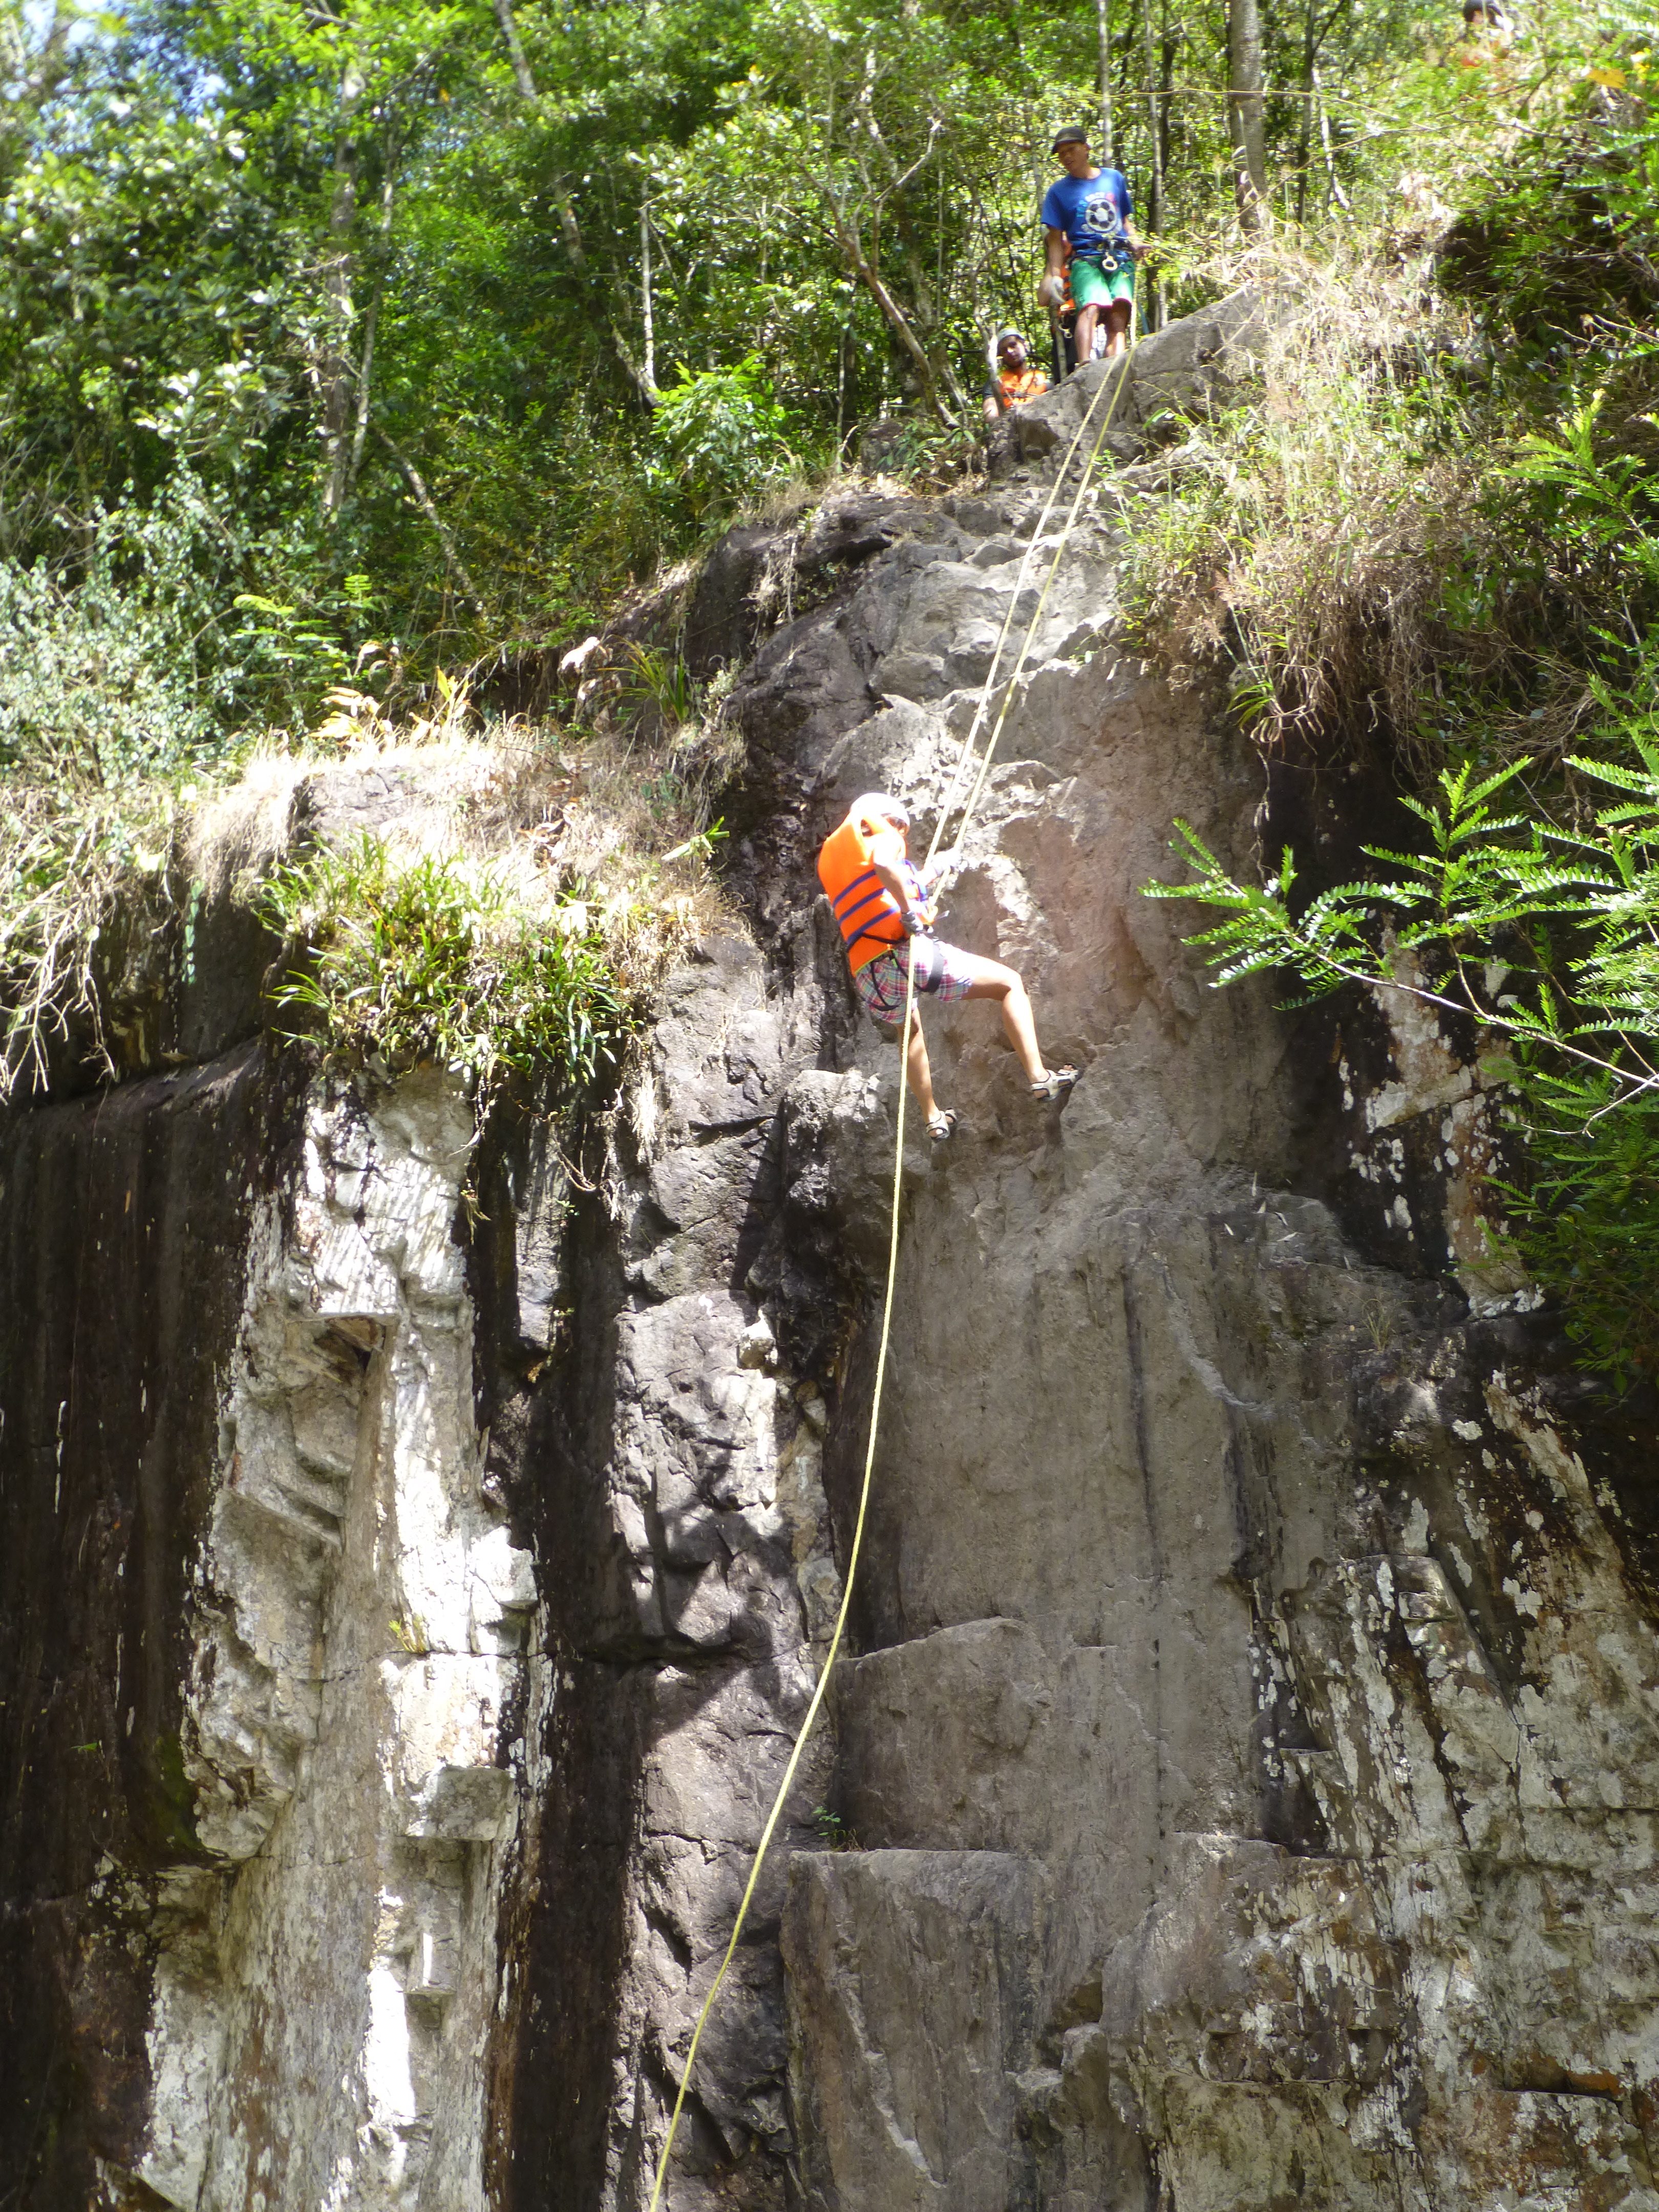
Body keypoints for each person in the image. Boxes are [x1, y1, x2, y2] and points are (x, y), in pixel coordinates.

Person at [817, 793, 1078, 1142]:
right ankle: (1039, 1078)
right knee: (1010, 984)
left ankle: (934, 1119)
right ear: (890, 820)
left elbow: (883, 887)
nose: (903, 838)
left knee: (908, 1032)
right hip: (905, 952)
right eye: (903, 829)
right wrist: (909, 912)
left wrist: (935, 869)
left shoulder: (837, 859)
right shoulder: (883, 834)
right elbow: (885, 865)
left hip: (869, 973)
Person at [1039, 126, 1143, 366]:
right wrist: (1055, 276)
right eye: (1061, 153)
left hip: (1120, 254)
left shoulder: (1114, 178)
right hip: (1086, 257)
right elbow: (1055, 239)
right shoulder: (1058, 192)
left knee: (1119, 315)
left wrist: (1136, 242)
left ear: (1086, 148)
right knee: (1091, 306)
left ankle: (1116, 366)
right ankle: (1085, 364)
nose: (1066, 157)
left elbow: (1124, 219)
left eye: (1072, 150)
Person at [983, 328, 1048, 425]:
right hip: (1009, 426)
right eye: (1004, 350)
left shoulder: (1042, 378)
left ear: (1024, 345)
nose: (1009, 351)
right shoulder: (995, 382)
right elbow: (990, 412)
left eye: (1013, 345)